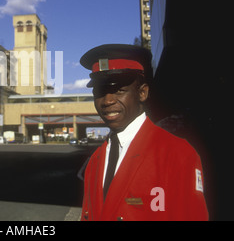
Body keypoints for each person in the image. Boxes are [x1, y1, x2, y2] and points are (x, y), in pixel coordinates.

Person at [79, 44, 208, 221]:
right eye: (100, 92)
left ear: (142, 93)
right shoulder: (95, 161)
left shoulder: (178, 154)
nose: (107, 100)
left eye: (119, 90)